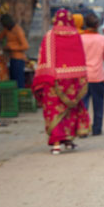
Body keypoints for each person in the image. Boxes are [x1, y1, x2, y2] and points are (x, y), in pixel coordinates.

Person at [32, 9, 91, 155]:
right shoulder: (76, 35)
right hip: (73, 81)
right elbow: (80, 58)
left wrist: (43, 77)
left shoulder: (49, 36)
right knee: (70, 111)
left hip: (53, 80)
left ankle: (57, 144)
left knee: (54, 111)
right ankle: (69, 140)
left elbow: (43, 57)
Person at [80, 12, 104, 136]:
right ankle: (97, 129)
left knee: (83, 104)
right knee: (98, 104)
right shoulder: (102, 39)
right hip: (97, 76)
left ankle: (83, 129)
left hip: (82, 76)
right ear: (97, 25)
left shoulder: (79, 38)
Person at [0, 13, 29, 88]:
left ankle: (20, 96)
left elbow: (26, 46)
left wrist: (12, 47)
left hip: (19, 59)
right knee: (13, 80)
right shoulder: (7, 29)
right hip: (12, 58)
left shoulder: (18, 30)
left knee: (18, 81)